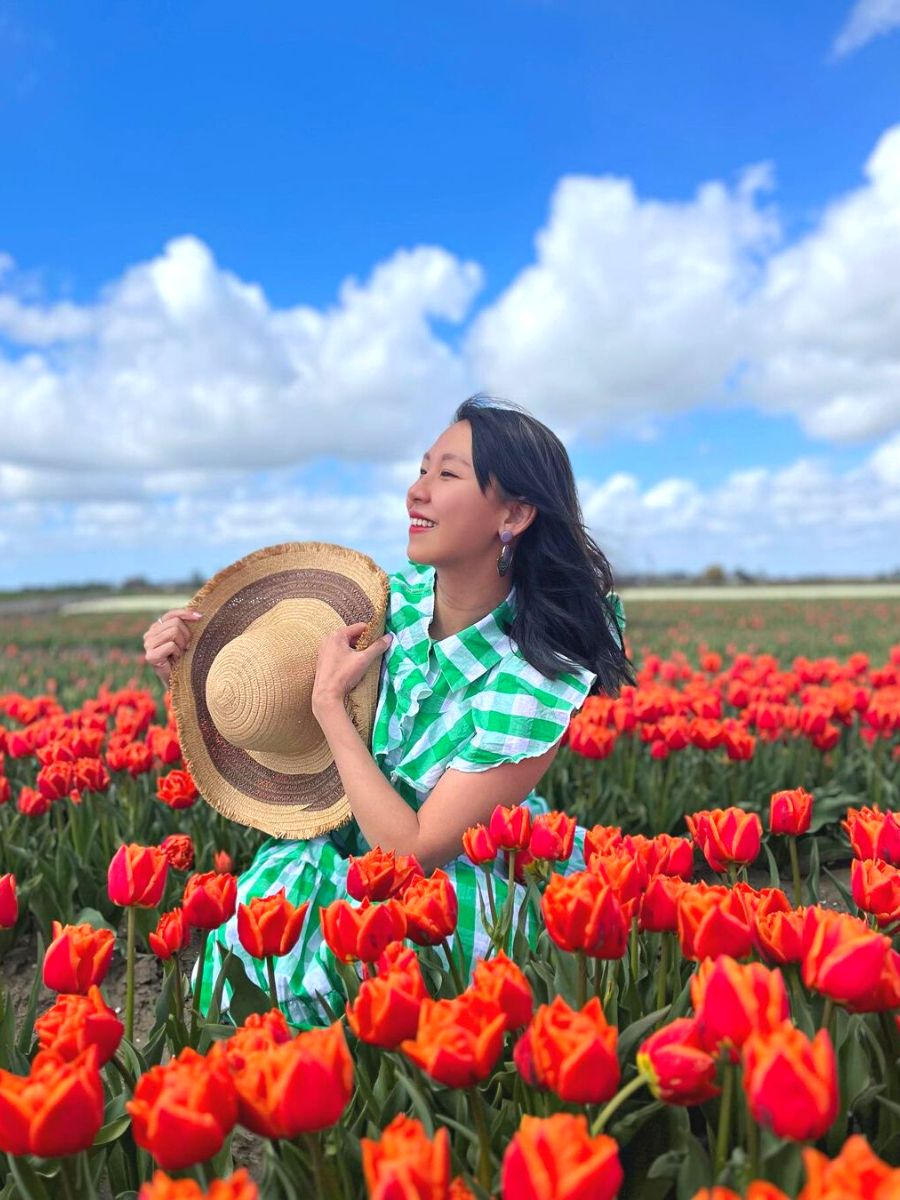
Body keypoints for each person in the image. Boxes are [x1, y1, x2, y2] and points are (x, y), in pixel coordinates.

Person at [142, 395, 634, 1027]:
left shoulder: (537, 674)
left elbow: (415, 852)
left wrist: (332, 711)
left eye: (446, 475)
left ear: (513, 513)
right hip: (338, 852)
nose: (415, 492)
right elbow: (277, 712)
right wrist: (190, 672)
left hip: (452, 874)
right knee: (256, 943)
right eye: (422, 469)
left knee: (424, 969)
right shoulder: (378, 602)